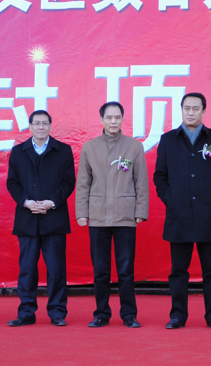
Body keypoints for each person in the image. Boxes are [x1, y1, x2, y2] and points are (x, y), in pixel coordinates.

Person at [153, 92, 211, 330]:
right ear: (181, 110)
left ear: (204, 112)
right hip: (179, 216)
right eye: (186, 108)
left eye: (196, 108)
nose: (190, 112)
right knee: (178, 271)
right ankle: (177, 315)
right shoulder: (168, 140)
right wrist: (171, 200)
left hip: (208, 215)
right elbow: (160, 177)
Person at [75, 101, 149, 328]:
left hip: (125, 217)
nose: (113, 121)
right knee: (100, 270)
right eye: (109, 117)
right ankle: (101, 314)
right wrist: (82, 213)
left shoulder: (134, 147)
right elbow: (83, 184)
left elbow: (141, 182)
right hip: (97, 217)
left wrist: (140, 211)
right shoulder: (90, 147)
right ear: (102, 120)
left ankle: (129, 315)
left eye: (117, 117)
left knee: (126, 269)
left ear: (122, 119)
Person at [6, 110, 75, 327]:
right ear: (30, 127)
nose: (41, 127)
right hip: (27, 219)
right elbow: (12, 183)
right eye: (37, 123)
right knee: (27, 269)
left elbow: (68, 182)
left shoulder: (63, 150)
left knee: (56, 269)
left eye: (45, 123)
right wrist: (26, 202)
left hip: (54, 218)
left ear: (51, 126)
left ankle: (57, 312)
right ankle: (26, 312)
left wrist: (51, 202)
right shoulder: (19, 152)